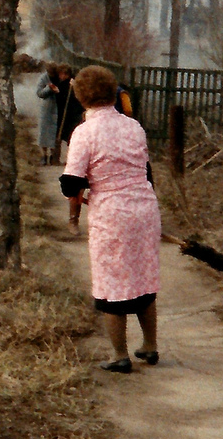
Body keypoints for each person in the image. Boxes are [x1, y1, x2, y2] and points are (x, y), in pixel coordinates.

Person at [60, 65, 161, 374]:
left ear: (80, 97)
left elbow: (71, 184)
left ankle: (120, 354)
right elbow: (146, 173)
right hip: (144, 208)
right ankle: (150, 346)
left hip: (112, 216)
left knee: (112, 284)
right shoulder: (134, 126)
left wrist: (79, 185)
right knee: (143, 278)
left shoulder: (84, 133)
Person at [35, 64, 63, 165]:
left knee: (56, 133)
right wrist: (49, 89)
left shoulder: (59, 77)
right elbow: (39, 93)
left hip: (58, 108)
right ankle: (43, 156)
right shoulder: (43, 78)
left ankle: (53, 156)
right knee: (43, 132)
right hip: (46, 109)